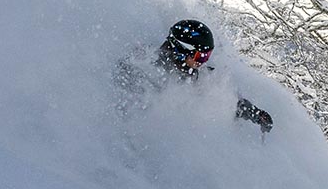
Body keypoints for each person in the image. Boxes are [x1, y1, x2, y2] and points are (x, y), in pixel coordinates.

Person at [114, 19, 274, 133]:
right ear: (181, 50)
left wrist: (256, 114)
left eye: (207, 56)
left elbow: (228, 101)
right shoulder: (146, 68)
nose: (203, 62)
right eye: (200, 56)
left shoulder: (199, 75)